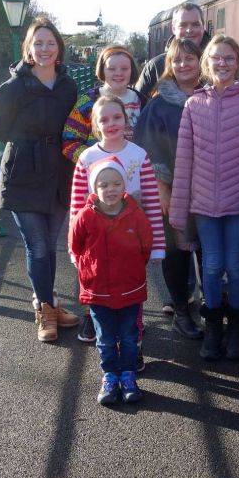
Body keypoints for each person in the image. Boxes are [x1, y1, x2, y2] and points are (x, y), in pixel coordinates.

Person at [169, 35, 239, 361]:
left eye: (229, 58)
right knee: (212, 266)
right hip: (204, 205)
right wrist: (179, 213)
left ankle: (236, 329)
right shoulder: (194, 105)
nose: (222, 63)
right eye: (216, 58)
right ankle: (213, 327)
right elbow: (184, 161)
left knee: (235, 266)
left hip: (238, 204)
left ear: (237, 62)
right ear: (207, 63)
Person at [0, 17, 80, 342]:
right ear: (28, 48)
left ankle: (50, 301)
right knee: (38, 246)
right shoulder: (13, 88)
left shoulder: (68, 87)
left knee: (50, 245)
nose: (44, 49)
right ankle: (45, 310)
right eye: (38, 43)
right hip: (23, 173)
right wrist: (29, 147)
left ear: (59, 48)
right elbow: (0, 129)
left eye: (50, 43)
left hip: (59, 172)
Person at [69, 96, 164, 361]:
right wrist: (74, 249)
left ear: (125, 119)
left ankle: (135, 346)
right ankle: (109, 348)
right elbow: (76, 207)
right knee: (101, 295)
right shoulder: (87, 158)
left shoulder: (139, 155)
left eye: (116, 117)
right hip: (97, 244)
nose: (111, 123)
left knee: (133, 295)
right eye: (104, 119)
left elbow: (152, 203)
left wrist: (157, 246)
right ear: (95, 125)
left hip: (131, 243)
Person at [133, 38, 204, 339]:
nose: (183, 65)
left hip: (209, 189)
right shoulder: (159, 105)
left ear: (200, 61)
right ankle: (181, 311)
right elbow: (148, 148)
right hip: (174, 190)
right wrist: (163, 189)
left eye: (190, 58)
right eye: (177, 60)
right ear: (169, 66)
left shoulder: (212, 97)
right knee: (177, 253)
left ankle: (212, 307)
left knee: (209, 252)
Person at [69, 156, 152, 405]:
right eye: (103, 185)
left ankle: (128, 375)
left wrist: (132, 268)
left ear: (125, 185)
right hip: (98, 290)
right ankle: (110, 375)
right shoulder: (85, 216)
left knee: (128, 336)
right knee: (104, 338)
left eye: (116, 183)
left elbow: (145, 246)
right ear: (94, 188)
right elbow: (76, 246)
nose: (110, 189)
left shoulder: (135, 215)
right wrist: (89, 269)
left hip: (129, 288)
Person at [62, 45, 147, 164]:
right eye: (111, 69)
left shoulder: (144, 103)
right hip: (98, 173)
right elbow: (69, 143)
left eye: (124, 68)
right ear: (102, 70)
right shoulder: (87, 103)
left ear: (131, 70)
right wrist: (97, 161)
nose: (119, 73)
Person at [136, 2, 211, 98]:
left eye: (195, 24)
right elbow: (137, 103)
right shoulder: (155, 66)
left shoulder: (216, 63)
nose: (189, 30)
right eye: (183, 25)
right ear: (174, 28)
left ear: (203, 27)